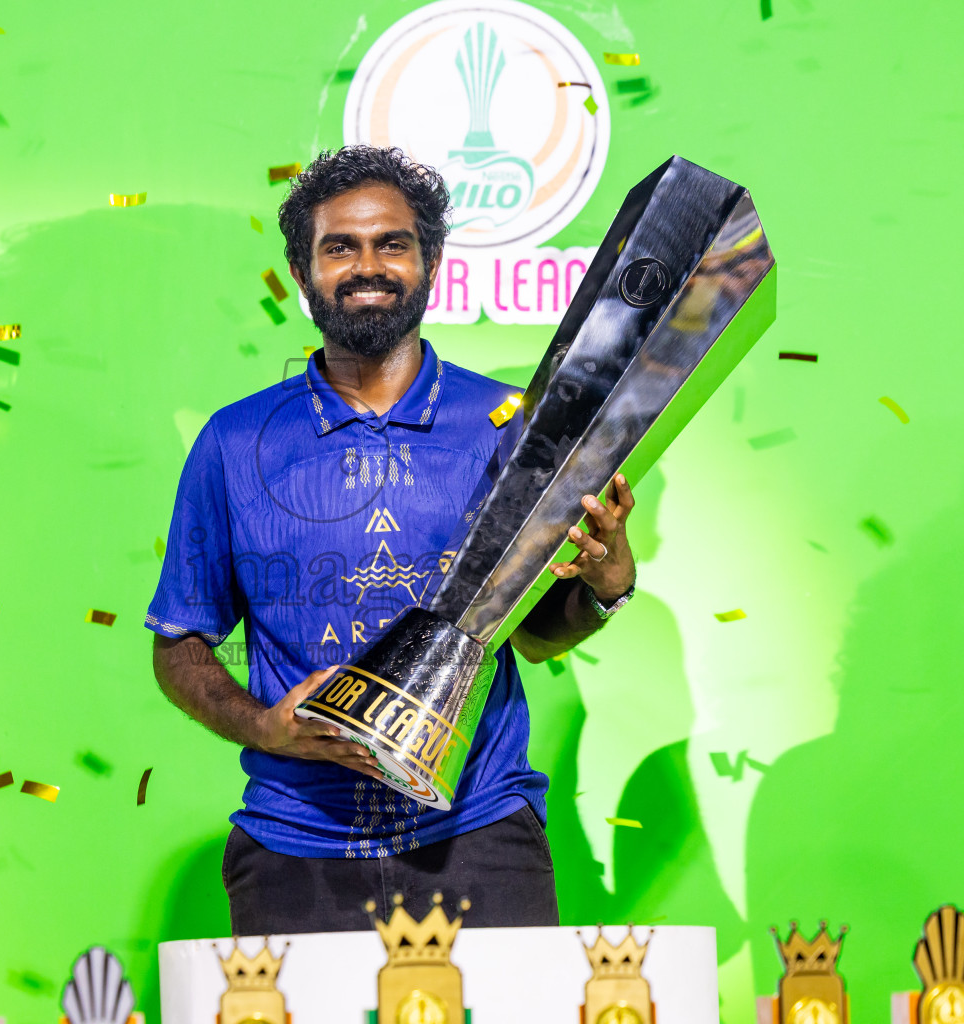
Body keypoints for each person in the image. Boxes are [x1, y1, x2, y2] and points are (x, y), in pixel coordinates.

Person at [145, 145, 637, 934]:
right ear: (303, 275)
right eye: (339, 247)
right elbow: (179, 648)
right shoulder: (235, 443)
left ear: (431, 262)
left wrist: (605, 584)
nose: (366, 265)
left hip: (478, 836)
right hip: (291, 845)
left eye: (391, 243)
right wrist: (264, 726)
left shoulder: (515, 424)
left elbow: (536, 637)